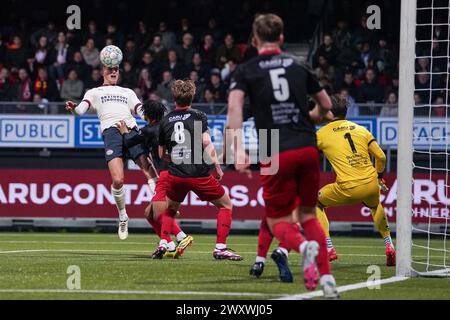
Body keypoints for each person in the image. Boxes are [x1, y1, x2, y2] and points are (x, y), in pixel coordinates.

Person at [226, 14, 338, 297]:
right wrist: (309, 117)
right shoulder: (299, 64)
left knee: (277, 220)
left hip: (273, 146)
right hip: (306, 144)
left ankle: (297, 249)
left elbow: (235, 111)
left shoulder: (246, 70)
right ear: (282, 38)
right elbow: (326, 107)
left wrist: (237, 150)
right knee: (308, 215)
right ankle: (327, 280)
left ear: (254, 40)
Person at [65, 50, 157, 241]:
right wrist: (74, 108)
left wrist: (150, 116)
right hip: (111, 133)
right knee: (118, 181)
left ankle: (162, 204)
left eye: (116, 69)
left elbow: (141, 112)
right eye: (109, 69)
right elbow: (81, 111)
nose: (113, 72)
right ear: (102, 72)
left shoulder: (128, 92)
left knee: (149, 171)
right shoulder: (94, 92)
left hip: (131, 130)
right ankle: (123, 215)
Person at [156, 79, 243, 261]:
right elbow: (206, 142)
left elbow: (161, 154)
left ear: (174, 98)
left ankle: (164, 242)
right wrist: (217, 166)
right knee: (226, 205)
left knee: (170, 209)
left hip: (176, 174)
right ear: (192, 97)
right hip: (199, 173)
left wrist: (176, 160)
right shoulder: (198, 115)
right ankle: (220, 248)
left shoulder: (165, 120)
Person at [315, 94, 395, 266]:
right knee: (375, 207)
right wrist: (379, 177)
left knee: (316, 203)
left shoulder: (321, 134)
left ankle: (328, 248)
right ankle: (389, 244)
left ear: (328, 111)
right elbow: (381, 156)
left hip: (347, 187)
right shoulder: (360, 129)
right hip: (371, 184)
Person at [116, 101, 193, 259]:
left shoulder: (150, 129)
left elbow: (131, 141)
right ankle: (169, 244)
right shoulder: (169, 125)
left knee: (159, 213)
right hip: (180, 170)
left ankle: (181, 237)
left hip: (167, 173)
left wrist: (124, 131)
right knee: (149, 214)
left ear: (148, 115)